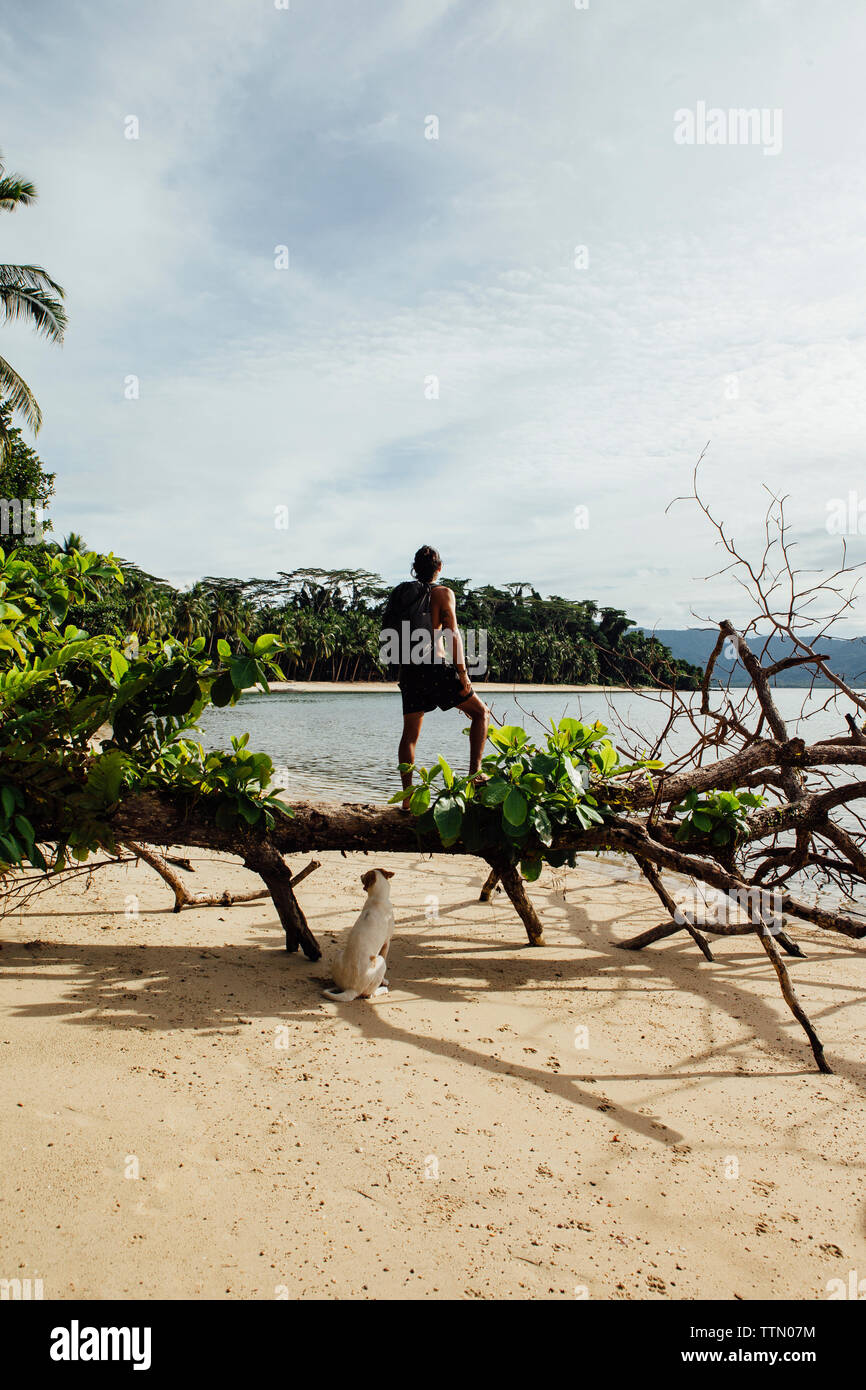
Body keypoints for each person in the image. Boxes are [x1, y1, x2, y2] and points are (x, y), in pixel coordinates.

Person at [381, 545, 489, 808]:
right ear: (439, 568)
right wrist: (463, 674)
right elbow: (453, 635)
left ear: (415, 568)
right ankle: (475, 775)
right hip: (435, 667)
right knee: (481, 713)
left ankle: (407, 799)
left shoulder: (402, 593)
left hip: (409, 670)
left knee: (409, 736)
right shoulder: (443, 593)